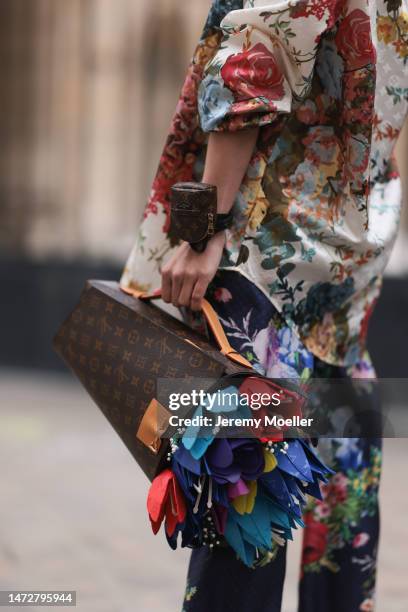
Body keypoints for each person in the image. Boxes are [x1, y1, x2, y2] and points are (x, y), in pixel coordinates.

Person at [120, 1, 408, 610]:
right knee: (341, 480)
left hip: (269, 252)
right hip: (350, 252)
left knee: (247, 496)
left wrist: (205, 229)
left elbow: (259, 59)